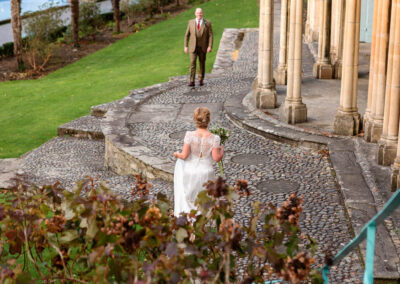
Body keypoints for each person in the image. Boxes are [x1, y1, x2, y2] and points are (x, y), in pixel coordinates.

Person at [173, 107, 224, 216]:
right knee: (204, 200)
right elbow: (216, 158)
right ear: (208, 120)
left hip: (191, 172)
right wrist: (222, 152)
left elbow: (184, 155)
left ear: (195, 119)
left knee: (191, 200)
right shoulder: (215, 138)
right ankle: (203, 223)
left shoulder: (189, 135)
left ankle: (190, 222)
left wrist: (176, 154)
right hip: (207, 172)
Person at [184, 8, 213, 87]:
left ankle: (200, 80)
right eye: (198, 13)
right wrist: (185, 46)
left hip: (203, 47)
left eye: (200, 13)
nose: (199, 14)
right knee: (192, 63)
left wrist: (210, 46)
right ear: (195, 14)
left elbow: (210, 35)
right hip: (193, 47)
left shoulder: (207, 23)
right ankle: (192, 81)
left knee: (202, 63)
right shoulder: (190, 22)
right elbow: (187, 35)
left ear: (202, 13)